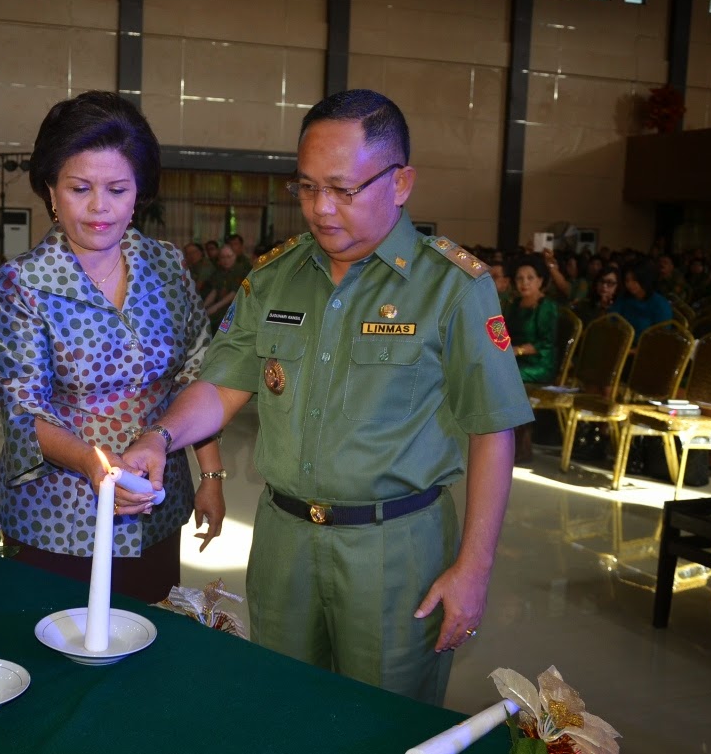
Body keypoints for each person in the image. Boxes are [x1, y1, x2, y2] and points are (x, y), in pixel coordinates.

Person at [123, 89, 532, 704]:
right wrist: (160, 436)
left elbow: (493, 430)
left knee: (385, 721)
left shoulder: (451, 289)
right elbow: (223, 384)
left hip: (397, 550)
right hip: (284, 541)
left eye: (342, 189)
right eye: (307, 187)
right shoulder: (274, 278)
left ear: (400, 183)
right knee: (282, 708)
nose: (320, 208)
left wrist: (474, 568)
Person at [0, 90, 226, 604]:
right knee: (56, 634)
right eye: (79, 188)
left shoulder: (166, 266)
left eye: (117, 189)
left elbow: (198, 372)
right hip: (57, 516)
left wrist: (211, 473)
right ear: (51, 190)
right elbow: (23, 410)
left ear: (138, 193)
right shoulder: (24, 283)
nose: (100, 207)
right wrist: (95, 464)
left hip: (155, 503)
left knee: (149, 631)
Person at [505, 255, 558, 384]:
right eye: (519, 278)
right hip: (513, 358)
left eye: (530, 278)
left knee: (499, 373)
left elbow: (545, 343)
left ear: (540, 281)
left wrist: (518, 350)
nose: (524, 283)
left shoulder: (546, 307)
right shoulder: (515, 304)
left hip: (539, 363)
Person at [609, 259, 672, 341]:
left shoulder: (660, 304)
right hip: (620, 342)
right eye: (627, 280)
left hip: (646, 346)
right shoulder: (624, 298)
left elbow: (661, 336)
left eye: (635, 280)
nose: (629, 284)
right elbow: (612, 321)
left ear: (645, 279)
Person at [203, 244, 246, 332]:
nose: (226, 260)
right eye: (223, 257)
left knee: (220, 325)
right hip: (221, 307)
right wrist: (203, 307)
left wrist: (215, 307)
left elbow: (233, 294)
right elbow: (214, 291)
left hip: (236, 308)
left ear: (235, 256)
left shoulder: (241, 270)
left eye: (229, 257)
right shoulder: (219, 271)